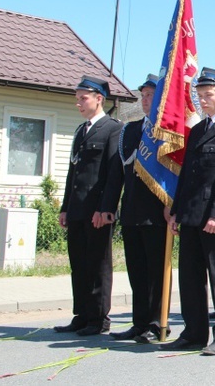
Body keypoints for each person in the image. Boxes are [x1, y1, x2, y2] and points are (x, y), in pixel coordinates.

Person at [160, 68, 215, 356]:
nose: (202, 100)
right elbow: (188, 175)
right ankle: (194, 332)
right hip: (191, 214)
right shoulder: (198, 130)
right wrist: (176, 211)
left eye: (208, 95)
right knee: (190, 276)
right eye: (199, 96)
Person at [55, 76, 123, 336]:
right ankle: (81, 315)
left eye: (83, 98)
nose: (79, 103)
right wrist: (65, 207)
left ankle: (98, 319)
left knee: (98, 265)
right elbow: (73, 174)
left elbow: (112, 173)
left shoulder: (113, 129)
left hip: (97, 211)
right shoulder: (80, 131)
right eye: (77, 98)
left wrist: (105, 209)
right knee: (79, 264)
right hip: (77, 209)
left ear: (99, 99)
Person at [109, 74, 170, 342]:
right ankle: (139, 322)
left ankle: (156, 323)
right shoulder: (130, 130)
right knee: (136, 271)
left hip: (157, 214)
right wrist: (108, 206)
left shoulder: (168, 132)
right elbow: (117, 174)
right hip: (132, 212)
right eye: (143, 96)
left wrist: (172, 207)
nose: (146, 101)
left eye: (151, 96)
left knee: (156, 272)